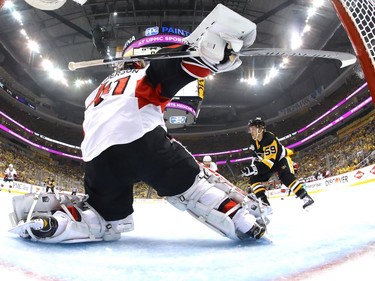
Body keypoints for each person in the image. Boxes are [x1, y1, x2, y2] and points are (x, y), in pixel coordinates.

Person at [9, 12, 270, 243]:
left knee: (105, 216)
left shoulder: (93, 94)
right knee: (191, 186)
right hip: (141, 141)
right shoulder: (139, 76)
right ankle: (239, 219)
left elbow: (90, 128)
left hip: (97, 157)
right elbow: (168, 69)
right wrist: (208, 54)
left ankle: (56, 224)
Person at [241, 117, 314, 209]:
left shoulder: (269, 139)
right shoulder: (253, 141)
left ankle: (306, 198)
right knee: (254, 179)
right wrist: (251, 169)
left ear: (260, 129)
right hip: (268, 162)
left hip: (280, 159)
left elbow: (268, 164)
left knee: (286, 177)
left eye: (253, 129)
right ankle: (264, 203)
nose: (251, 131)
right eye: (250, 129)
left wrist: (253, 169)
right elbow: (256, 157)